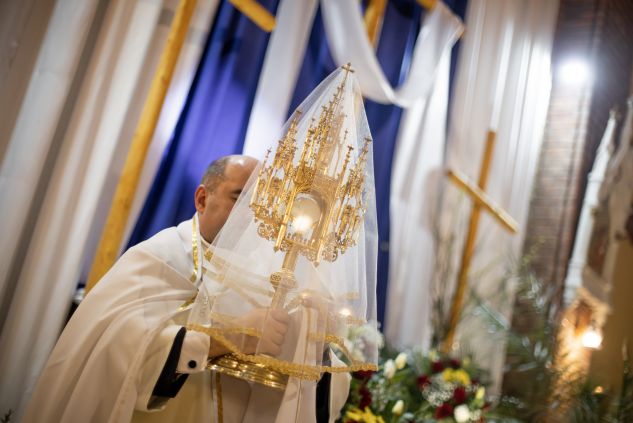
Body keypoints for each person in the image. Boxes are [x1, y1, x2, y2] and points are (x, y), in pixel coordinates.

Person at [23, 155, 349, 423]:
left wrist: (313, 344)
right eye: (240, 197)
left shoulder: (268, 279)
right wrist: (231, 338)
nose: (253, 213)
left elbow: (318, 392)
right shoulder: (160, 256)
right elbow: (116, 347)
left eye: (260, 201)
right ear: (202, 198)